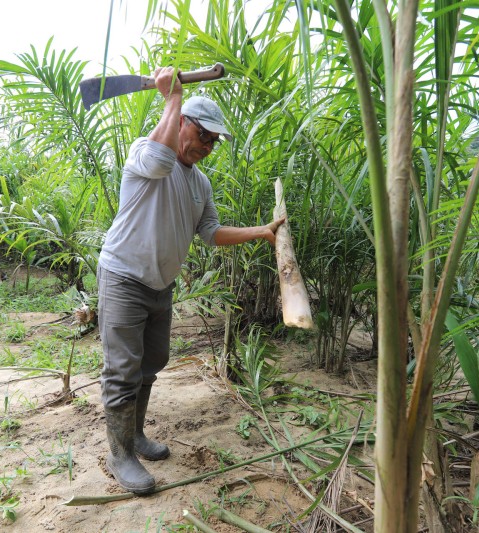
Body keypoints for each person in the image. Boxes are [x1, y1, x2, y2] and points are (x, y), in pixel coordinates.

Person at [97, 66, 285, 494]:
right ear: (182, 124)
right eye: (203, 135)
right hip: (124, 277)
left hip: (160, 286)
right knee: (123, 370)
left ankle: (136, 437)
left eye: (214, 141)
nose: (208, 146)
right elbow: (163, 160)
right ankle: (119, 455)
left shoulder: (200, 182)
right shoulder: (146, 151)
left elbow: (210, 233)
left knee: (151, 364)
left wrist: (261, 232)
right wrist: (172, 97)